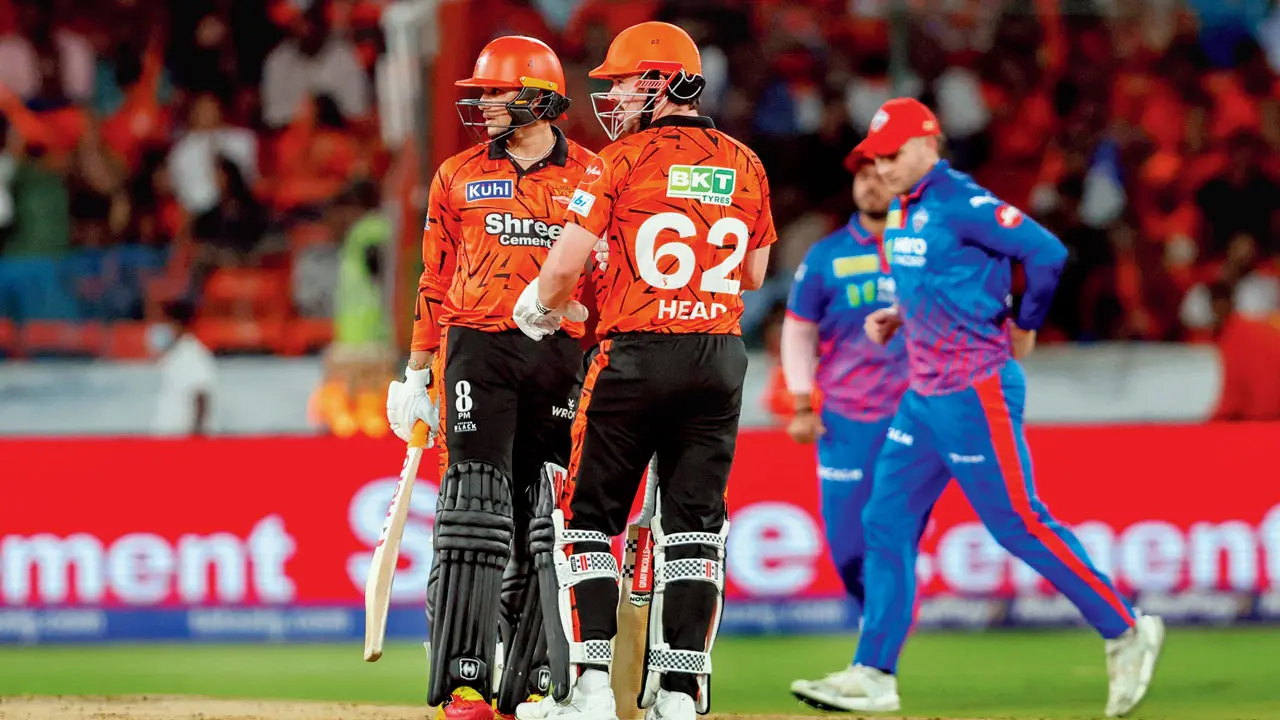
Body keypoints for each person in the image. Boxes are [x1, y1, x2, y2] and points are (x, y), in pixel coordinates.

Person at [834, 98, 1165, 717]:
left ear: (928, 144)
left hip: (972, 388)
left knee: (1017, 523)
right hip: (924, 395)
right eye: (875, 157)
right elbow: (944, 278)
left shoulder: (961, 201)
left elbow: (1047, 253)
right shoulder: (904, 206)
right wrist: (902, 314)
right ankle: (874, 673)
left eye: (892, 154)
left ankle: (1126, 628)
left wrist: (1025, 324)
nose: (882, 167)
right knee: (885, 521)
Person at [510, 21, 776, 720]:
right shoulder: (747, 163)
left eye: (625, 83)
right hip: (718, 358)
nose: (615, 97)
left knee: (586, 522)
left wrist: (538, 308)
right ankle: (680, 694)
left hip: (636, 356)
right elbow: (753, 273)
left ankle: (591, 690)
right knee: (695, 532)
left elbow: (561, 269)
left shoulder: (616, 161)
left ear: (661, 83)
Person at [383, 35, 600, 720]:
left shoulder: (595, 174)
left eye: (496, 94)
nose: (483, 107)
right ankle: (465, 680)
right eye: (480, 95)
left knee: (544, 517)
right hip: (477, 346)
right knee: (472, 508)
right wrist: (416, 371)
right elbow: (434, 276)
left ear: (539, 99)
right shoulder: (455, 175)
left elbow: (610, 276)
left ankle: (532, 680)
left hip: (558, 353)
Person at [780, 151, 928, 710]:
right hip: (845, 420)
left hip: (917, 419)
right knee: (847, 551)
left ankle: (875, 664)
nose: (870, 184)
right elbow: (798, 331)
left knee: (890, 540)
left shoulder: (924, 246)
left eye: (880, 174)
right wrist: (801, 403)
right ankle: (884, 624)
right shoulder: (827, 256)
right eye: (862, 175)